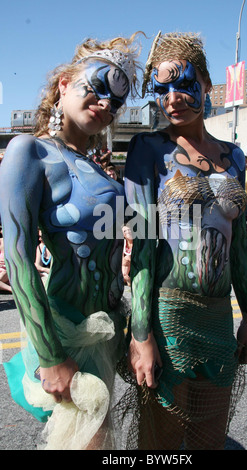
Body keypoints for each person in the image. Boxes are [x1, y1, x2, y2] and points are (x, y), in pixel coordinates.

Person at [0, 34, 141, 450]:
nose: (105, 106)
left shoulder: (100, 169)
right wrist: (49, 357)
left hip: (107, 330)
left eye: (115, 103)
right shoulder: (29, 152)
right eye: (95, 90)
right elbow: (19, 257)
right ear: (63, 83)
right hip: (61, 335)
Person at [124, 31, 247, 450]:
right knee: (161, 443)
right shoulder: (147, 149)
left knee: (208, 439)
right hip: (168, 318)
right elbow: (143, 247)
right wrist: (141, 334)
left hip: (218, 317)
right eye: (161, 89)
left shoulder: (233, 155)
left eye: (184, 85)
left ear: (206, 85)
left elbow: (237, 246)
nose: (173, 97)